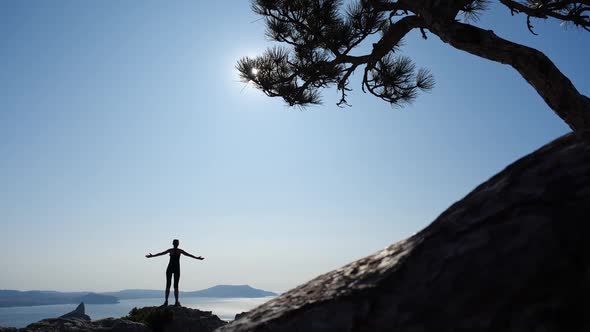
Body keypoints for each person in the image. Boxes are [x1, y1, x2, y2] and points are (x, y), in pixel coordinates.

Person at [145, 239, 204, 307]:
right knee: (173, 285)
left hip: (171, 268)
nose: (176, 244)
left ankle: (170, 301)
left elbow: (161, 253)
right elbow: (189, 255)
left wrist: (152, 256)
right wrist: (197, 258)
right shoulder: (177, 250)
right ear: (176, 244)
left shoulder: (173, 250)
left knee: (170, 285)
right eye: (176, 243)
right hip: (175, 268)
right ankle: (172, 301)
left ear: (173, 243)